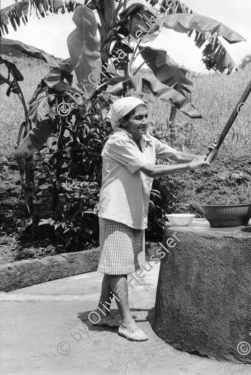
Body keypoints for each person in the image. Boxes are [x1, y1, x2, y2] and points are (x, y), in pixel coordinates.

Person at [93, 96, 210, 342]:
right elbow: (150, 169)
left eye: (146, 116)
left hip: (135, 212)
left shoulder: (147, 140)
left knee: (116, 265)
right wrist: (192, 167)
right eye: (138, 118)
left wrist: (201, 158)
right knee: (119, 269)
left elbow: (175, 154)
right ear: (123, 122)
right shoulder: (118, 141)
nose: (145, 121)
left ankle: (102, 313)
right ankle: (126, 322)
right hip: (116, 212)